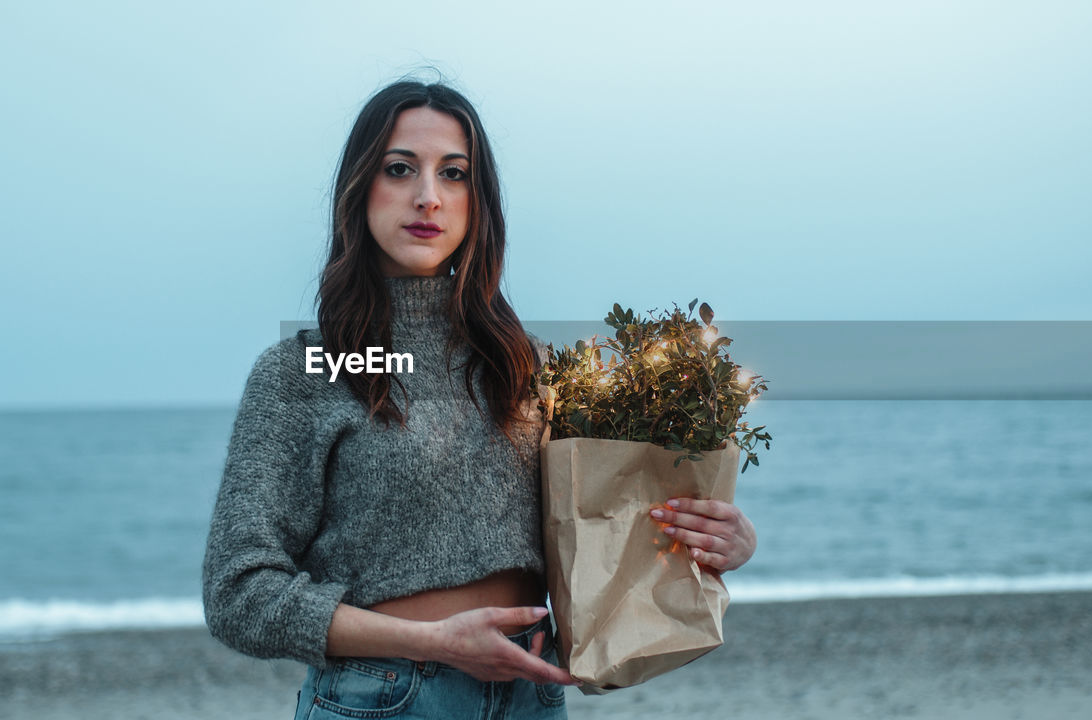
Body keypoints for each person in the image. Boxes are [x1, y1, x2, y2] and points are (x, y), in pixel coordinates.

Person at [202, 79, 757, 719]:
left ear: (478, 199)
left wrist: (716, 543)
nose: (427, 196)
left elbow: (604, 532)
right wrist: (431, 642)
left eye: (454, 173)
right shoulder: (309, 371)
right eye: (400, 168)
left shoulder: (531, 367)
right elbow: (237, 595)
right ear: (361, 189)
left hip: (534, 697)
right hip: (385, 699)